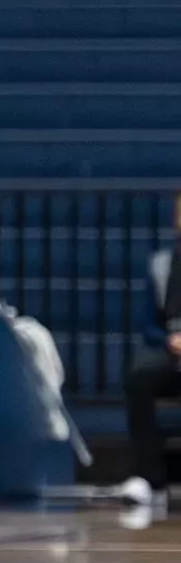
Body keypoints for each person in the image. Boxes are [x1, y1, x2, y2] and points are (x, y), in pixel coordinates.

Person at [118, 200, 181, 508]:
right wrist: (170, 340)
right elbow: (147, 325)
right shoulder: (162, 264)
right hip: (173, 349)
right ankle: (149, 478)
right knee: (139, 378)